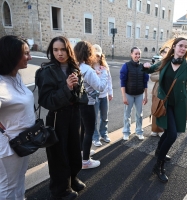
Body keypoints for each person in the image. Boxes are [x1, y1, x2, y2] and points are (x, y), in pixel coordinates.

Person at [37, 36, 85, 199]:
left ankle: (72, 179)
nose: (59, 53)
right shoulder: (46, 71)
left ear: (68, 50)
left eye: (62, 49)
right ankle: (60, 189)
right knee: (59, 154)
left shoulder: (74, 67)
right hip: (58, 116)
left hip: (74, 114)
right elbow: (46, 100)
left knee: (74, 149)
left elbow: (79, 93)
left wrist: (78, 87)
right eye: (55, 50)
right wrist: (67, 87)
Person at [143, 37, 187, 183]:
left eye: (185, 46)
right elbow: (149, 70)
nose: (183, 48)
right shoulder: (165, 61)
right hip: (164, 104)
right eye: (180, 46)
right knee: (171, 134)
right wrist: (145, 66)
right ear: (174, 47)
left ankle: (159, 151)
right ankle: (158, 166)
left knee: (170, 132)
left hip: (178, 105)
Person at [0, 35, 34, 200]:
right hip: (8, 147)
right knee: (7, 186)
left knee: (20, 179)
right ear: (12, 54)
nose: (30, 57)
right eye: (26, 53)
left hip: (22, 141)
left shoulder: (16, 77)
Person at [73, 41, 108, 169]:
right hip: (88, 103)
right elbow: (100, 86)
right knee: (89, 131)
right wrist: (103, 73)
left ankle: (83, 152)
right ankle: (86, 161)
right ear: (89, 53)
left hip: (79, 103)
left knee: (82, 129)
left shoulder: (77, 67)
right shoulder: (88, 70)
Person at [120, 47, 149, 141]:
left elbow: (145, 82)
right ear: (131, 54)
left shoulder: (143, 67)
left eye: (139, 54)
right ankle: (126, 132)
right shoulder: (126, 66)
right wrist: (124, 96)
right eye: (135, 54)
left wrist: (146, 96)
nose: (137, 56)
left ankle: (139, 131)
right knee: (127, 114)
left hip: (139, 94)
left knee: (139, 114)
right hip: (129, 94)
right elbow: (123, 82)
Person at [92, 44, 113, 146]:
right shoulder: (89, 66)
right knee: (94, 118)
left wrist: (110, 92)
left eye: (98, 55)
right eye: (95, 55)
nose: (97, 57)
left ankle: (104, 134)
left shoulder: (105, 65)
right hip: (94, 96)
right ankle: (95, 137)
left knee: (104, 117)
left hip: (104, 96)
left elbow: (109, 80)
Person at [150, 46, 170, 137]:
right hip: (157, 91)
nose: (166, 54)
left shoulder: (171, 64)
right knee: (155, 109)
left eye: (168, 52)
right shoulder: (158, 64)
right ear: (161, 53)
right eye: (164, 52)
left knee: (164, 111)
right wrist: (162, 77)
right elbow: (152, 77)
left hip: (168, 92)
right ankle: (154, 129)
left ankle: (161, 129)